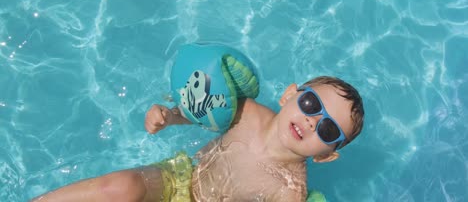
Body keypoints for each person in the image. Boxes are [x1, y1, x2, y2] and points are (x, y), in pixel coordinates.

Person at [31, 76, 364, 202]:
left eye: (328, 130)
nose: (312, 121)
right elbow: (198, 109)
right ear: (290, 94)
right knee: (120, 187)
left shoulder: (290, 191)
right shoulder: (244, 111)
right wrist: (169, 116)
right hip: (181, 178)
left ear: (325, 155)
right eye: (310, 104)